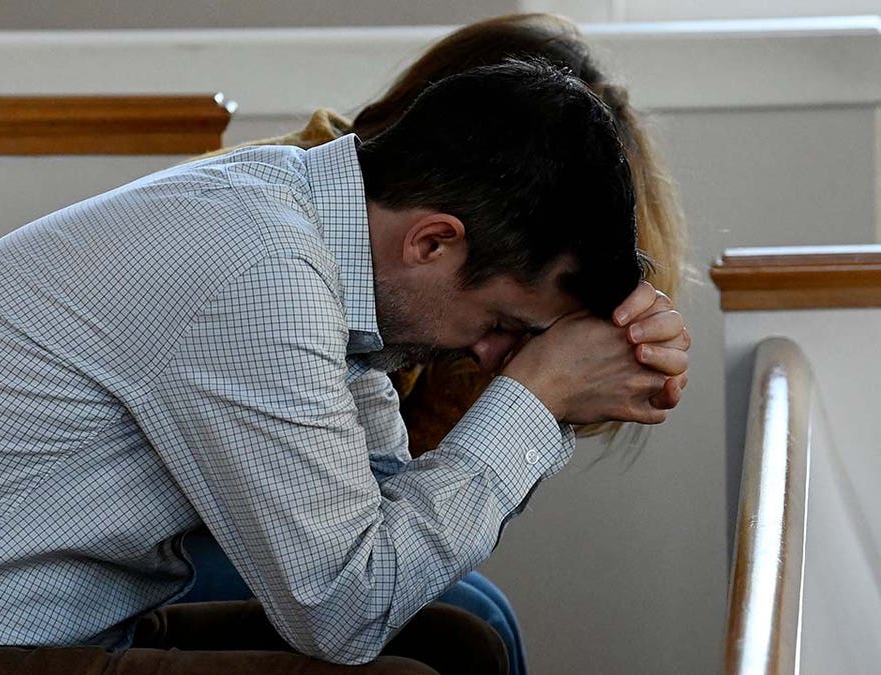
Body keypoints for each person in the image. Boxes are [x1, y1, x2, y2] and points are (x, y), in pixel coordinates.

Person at [0, 60, 689, 675]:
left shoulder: (310, 231)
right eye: (503, 325)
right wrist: (534, 398)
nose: (489, 356)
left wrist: (547, 397)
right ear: (434, 242)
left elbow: (384, 516)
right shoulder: (256, 273)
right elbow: (346, 610)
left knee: (455, 644)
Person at [182, 13, 688, 674]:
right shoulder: (305, 258)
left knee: (468, 618)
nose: (492, 348)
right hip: (186, 531)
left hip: (252, 520)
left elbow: (400, 496)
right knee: (467, 615)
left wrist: (568, 365)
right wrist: (539, 388)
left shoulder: (353, 224)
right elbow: (358, 582)